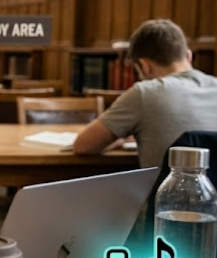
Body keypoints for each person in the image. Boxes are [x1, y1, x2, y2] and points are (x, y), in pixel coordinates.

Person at [74, 19, 217, 167]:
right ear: (188, 56)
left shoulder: (145, 93)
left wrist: (121, 139)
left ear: (144, 66)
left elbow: (83, 146)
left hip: (170, 190)